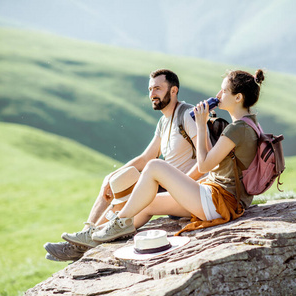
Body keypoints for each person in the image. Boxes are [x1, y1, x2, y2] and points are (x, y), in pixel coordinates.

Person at [87, 69, 265, 243]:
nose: (218, 94)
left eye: (224, 90)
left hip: (221, 201)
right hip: (219, 197)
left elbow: (204, 166)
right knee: (146, 202)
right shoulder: (249, 124)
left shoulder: (237, 129)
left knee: (155, 166)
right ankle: (98, 235)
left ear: (238, 97)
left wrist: (202, 125)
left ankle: (118, 223)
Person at [45, 69, 205, 261]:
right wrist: (111, 177)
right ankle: (85, 235)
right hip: (171, 191)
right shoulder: (164, 122)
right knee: (118, 180)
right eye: (150, 89)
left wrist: (181, 185)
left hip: (190, 193)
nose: (152, 94)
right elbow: (146, 158)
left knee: (132, 203)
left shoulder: (187, 115)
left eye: (158, 88)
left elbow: (207, 161)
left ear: (173, 91)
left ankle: (82, 243)